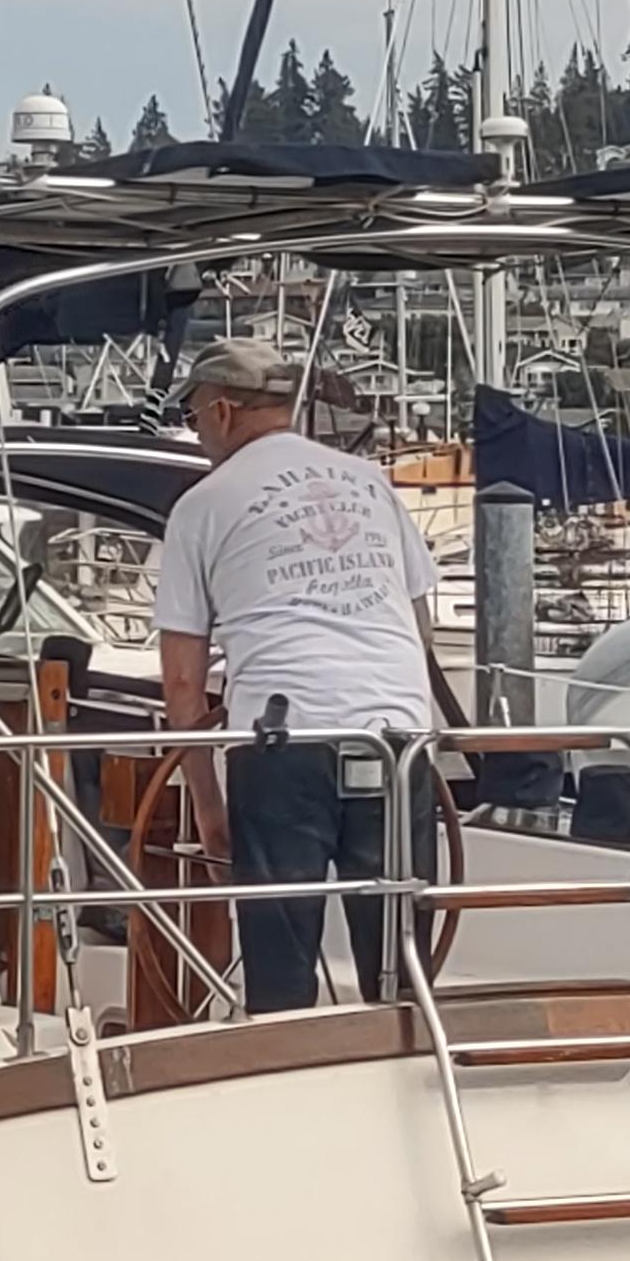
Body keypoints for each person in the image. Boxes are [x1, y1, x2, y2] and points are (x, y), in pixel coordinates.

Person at [153, 336, 445, 1012]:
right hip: (397, 741)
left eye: (196, 416)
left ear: (223, 411)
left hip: (286, 746)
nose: (197, 432)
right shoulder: (370, 483)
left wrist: (207, 803)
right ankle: (403, 1073)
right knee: (399, 966)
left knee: (280, 970)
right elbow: (418, 627)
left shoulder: (203, 504)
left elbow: (182, 683)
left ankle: (286, 1088)